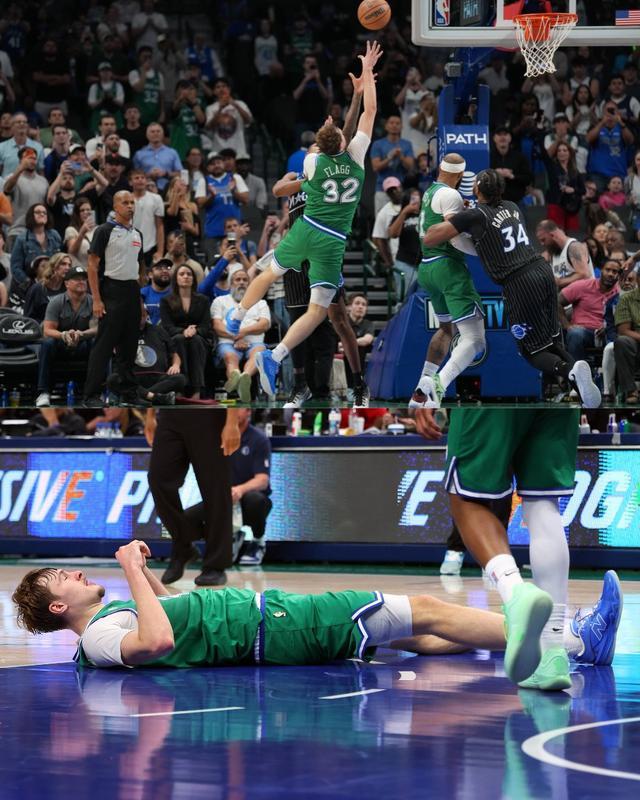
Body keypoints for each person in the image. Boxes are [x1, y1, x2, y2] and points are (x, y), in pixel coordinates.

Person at [13, 537, 620, 677]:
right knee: (425, 607)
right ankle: (573, 642)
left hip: (268, 624)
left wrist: (145, 576)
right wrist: (128, 570)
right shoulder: (100, 638)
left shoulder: (110, 624)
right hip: (275, 625)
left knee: (412, 634)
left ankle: (519, 642)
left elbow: (174, 615)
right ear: (60, 606)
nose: (75, 573)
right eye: (63, 578)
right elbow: (158, 643)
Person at [414, 407, 623, 689]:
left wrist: (425, 389)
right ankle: (554, 651)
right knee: (543, 504)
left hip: (488, 389)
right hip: (560, 391)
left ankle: (515, 592)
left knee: (464, 499)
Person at [226, 41, 382, 401]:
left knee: (267, 274)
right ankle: (277, 355)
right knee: (315, 312)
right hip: (332, 241)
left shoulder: (312, 163)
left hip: (306, 229)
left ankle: (239, 316)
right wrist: (368, 76)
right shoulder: (355, 158)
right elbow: (368, 114)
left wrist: (349, 105)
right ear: (342, 142)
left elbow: (340, 133)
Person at [422, 169, 602, 408]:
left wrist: (446, 216)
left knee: (531, 351)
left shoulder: (474, 216)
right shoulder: (512, 206)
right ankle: (579, 382)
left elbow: (430, 237)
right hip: (542, 271)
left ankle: (568, 371)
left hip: (520, 282)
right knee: (551, 341)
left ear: (477, 189)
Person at [409, 153, 486, 409]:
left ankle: (420, 391)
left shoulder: (430, 192)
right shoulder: (451, 195)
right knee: (475, 340)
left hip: (427, 268)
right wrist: (483, 253)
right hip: (448, 267)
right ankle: (438, 385)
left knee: (445, 330)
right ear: (461, 175)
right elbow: (453, 237)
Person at [145, 407, 240, 586]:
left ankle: (215, 565)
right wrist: (150, 415)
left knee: (215, 490)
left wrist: (232, 421)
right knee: (158, 480)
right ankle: (184, 544)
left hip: (210, 411)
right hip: (170, 410)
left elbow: (235, 387)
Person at [82, 190, 146, 407]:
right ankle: (90, 395)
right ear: (115, 207)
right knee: (104, 346)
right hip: (111, 289)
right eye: (125, 203)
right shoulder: (104, 230)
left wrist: (140, 303)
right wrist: (97, 299)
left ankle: (129, 393)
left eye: (132, 203)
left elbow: (139, 268)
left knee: (129, 347)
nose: (130, 206)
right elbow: (92, 266)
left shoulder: (138, 234)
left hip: (132, 291)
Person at [35, 265, 97, 408]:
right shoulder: (56, 302)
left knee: (98, 343)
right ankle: (43, 392)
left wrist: (82, 334)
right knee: (47, 343)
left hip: (83, 343)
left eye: (84, 279)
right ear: (67, 283)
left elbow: (97, 328)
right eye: (77, 279)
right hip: (60, 344)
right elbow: (47, 330)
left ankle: (96, 392)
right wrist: (64, 335)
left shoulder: (93, 301)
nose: (81, 282)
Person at [212, 269, 270, 404]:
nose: (242, 283)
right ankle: (238, 378)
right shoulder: (220, 301)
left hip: (255, 343)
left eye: (245, 280)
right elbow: (217, 326)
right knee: (230, 358)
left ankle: (244, 377)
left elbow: (264, 325)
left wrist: (243, 332)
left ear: (249, 284)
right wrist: (237, 338)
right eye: (237, 280)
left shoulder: (260, 302)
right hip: (228, 343)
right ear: (231, 284)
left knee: (258, 355)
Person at [159, 264, 213, 399]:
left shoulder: (203, 300)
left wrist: (194, 331)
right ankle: (180, 388)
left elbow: (206, 326)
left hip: (199, 337)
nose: (186, 277)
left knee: (195, 341)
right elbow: (167, 326)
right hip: (175, 338)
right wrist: (184, 331)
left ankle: (197, 390)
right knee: (179, 339)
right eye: (182, 274)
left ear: (193, 279)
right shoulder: (166, 300)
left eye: (189, 274)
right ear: (176, 279)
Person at [230, 409, 272, 565]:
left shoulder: (258, 439)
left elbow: (262, 480)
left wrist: (239, 490)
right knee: (190, 516)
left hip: (248, 499)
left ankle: (258, 541)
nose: (233, 412)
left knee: (256, 501)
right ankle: (231, 536)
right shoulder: (219, 437)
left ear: (248, 411)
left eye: (238, 408)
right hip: (225, 499)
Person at [559, 259, 621, 363]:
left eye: (615, 272)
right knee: (575, 333)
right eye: (608, 270)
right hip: (583, 331)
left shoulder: (620, 293)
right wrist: (567, 325)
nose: (610, 274)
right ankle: (578, 372)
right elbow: (557, 302)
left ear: (619, 275)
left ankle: (613, 374)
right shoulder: (582, 286)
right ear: (601, 270)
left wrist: (609, 328)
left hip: (608, 333)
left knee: (621, 339)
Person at [201, 151, 249, 263]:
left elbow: (246, 199)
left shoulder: (235, 178)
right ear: (208, 167)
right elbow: (200, 203)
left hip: (233, 230)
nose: (216, 165)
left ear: (223, 164)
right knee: (215, 262)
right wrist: (212, 196)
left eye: (219, 162)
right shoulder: (204, 181)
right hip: (213, 232)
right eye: (212, 164)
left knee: (236, 260)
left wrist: (233, 191)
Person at [370, 114, 415, 214]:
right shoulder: (378, 144)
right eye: (391, 123)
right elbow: (375, 167)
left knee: (398, 219)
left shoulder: (407, 144)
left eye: (397, 123)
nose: (394, 125)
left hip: (400, 190)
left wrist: (401, 156)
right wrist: (390, 157)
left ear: (402, 126)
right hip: (382, 189)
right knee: (381, 219)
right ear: (386, 126)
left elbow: (410, 166)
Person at [3, 147, 49, 246]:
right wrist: (21, 168)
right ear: (20, 160)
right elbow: (7, 189)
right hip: (17, 231)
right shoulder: (12, 178)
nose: (32, 160)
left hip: (38, 233)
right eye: (28, 157)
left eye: (34, 158)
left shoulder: (43, 181)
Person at [9, 202, 61, 288]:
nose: (42, 214)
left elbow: (61, 260)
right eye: (38, 212)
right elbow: (15, 267)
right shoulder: (22, 239)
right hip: (29, 286)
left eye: (44, 213)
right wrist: (30, 284)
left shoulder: (55, 235)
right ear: (31, 216)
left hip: (52, 284)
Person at [388, 188, 421, 302]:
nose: (416, 201)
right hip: (405, 262)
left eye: (418, 197)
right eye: (413, 198)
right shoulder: (399, 216)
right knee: (405, 298)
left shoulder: (426, 216)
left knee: (422, 297)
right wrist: (404, 212)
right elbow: (393, 234)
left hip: (424, 263)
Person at [133, 123, 182, 193]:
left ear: (163, 134)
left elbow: (180, 174)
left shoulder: (172, 152)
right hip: (146, 191)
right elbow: (134, 175)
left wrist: (165, 174)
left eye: (158, 131)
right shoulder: (139, 154)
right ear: (147, 135)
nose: (155, 133)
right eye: (152, 132)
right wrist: (149, 175)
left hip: (168, 190)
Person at [613, 276, 640, 403]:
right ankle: (631, 390)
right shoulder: (627, 299)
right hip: (637, 343)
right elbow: (623, 330)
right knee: (622, 342)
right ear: (638, 280)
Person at [24, 252, 71, 323]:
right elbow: (28, 317)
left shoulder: (69, 289)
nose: (67, 268)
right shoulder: (37, 289)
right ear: (54, 266)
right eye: (63, 264)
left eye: (69, 265)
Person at [130, 168, 164, 266]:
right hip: (130, 246)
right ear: (130, 182)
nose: (140, 180)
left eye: (143, 178)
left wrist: (160, 251)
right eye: (136, 178)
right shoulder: (126, 199)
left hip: (151, 246)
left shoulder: (156, 198)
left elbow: (159, 226)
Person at [371, 176, 403, 277]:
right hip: (397, 257)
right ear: (386, 193)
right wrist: (389, 262)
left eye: (395, 188)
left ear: (401, 187)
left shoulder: (411, 204)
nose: (394, 192)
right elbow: (378, 239)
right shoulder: (384, 212)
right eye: (390, 190)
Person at [64, 197, 97, 270]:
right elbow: (71, 252)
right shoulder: (71, 230)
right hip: (80, 271)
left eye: (88, 210)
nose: (86, 212)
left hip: (96, 271)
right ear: (77, 213)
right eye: (82, 210)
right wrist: (82, 233)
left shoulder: (97, 230)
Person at [140, 257, 172, 324]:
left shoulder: (177, 293)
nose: (165, 271)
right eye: (159, 268)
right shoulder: (141, 294)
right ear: (150, 275)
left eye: (167, 268)